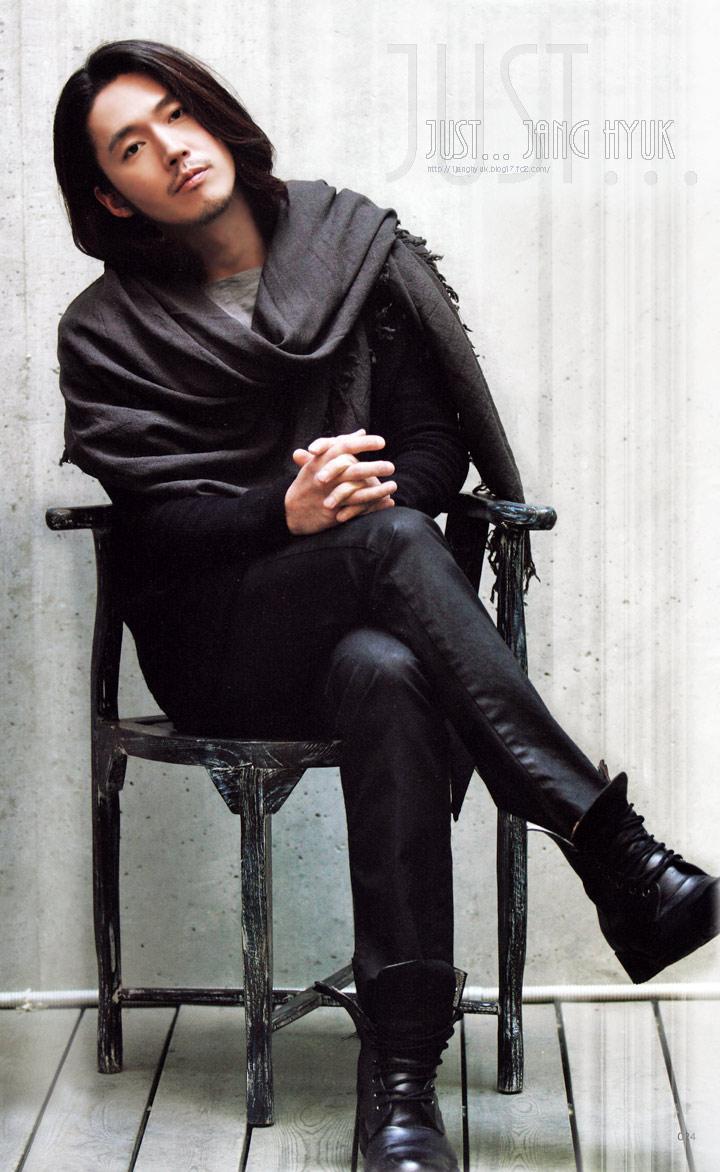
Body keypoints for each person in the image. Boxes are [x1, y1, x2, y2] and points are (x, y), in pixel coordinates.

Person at [53, 40, 717, 1172]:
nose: (169, 146)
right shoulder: (107, 330)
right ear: (114, 194)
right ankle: (610, 849)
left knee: (389, 665)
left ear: (212, 114)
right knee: (394, 546)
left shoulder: (352, 249)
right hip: (220, 641)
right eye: (130, 146)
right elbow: (157, 525)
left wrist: (358, 510)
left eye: (175, 114)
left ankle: (400, 1092)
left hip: (367, 609)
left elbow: (430, 440)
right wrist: (287, 512)